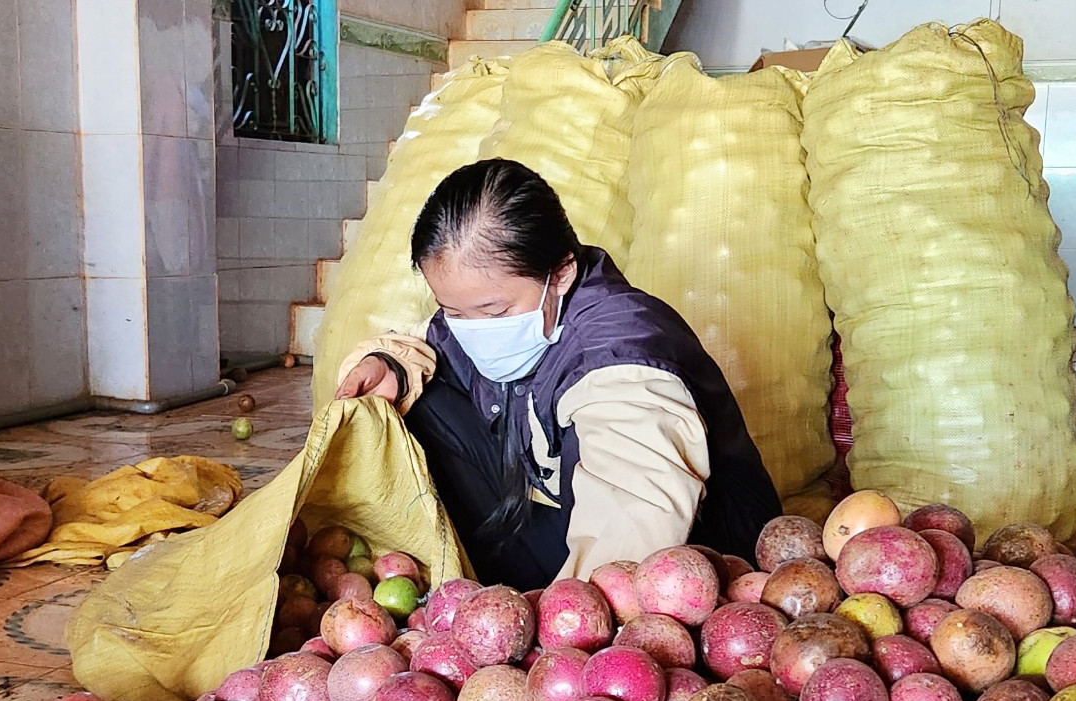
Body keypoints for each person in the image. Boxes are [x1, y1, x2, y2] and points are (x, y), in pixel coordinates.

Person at [334, 158, 782, 590]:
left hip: (698, 559)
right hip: (565, 514)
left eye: (495, 311)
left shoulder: (622, 357)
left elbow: (635, 530)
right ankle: (470, 580)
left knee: (604, 593)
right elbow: (424, 340)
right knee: (413, 398)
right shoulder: (495, 317)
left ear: (562, 272)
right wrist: (386, 363)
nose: (474, 330)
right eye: (454, 310)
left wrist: (566, 625)